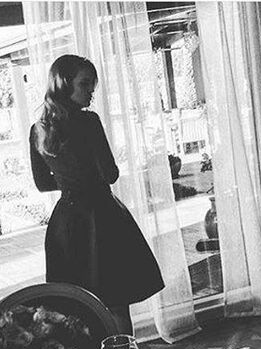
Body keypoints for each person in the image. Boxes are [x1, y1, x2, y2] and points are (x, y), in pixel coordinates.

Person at [29, 54, 164, 334]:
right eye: (85, 83)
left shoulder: (38, 129)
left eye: (92, 84)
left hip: (66, 223)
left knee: (78, 304)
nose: (91, 90)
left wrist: (69, 182)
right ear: (64, 84)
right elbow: (110, 174)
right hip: (101, 216)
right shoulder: (89, 121)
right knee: (116, 301)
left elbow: (42, 183)